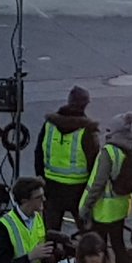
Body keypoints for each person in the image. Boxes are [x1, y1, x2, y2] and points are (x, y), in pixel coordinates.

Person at [79, 113, 132, 263]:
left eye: (109, 130)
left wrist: (85, 207)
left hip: (104, 210)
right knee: (118, 244)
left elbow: (97, 184)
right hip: (121, 206)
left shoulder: (109, 152)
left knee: (99, 247)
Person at [39, 86, 100, 234]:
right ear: (85, 104)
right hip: (79, 189)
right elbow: (94, 162)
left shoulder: (49, 125)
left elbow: (38, 154)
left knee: (51, 233)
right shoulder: (87, 130)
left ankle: (52, 249)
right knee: (88, 234)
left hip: (51, 187)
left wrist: (41, 178)